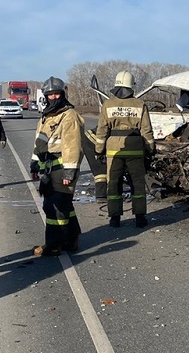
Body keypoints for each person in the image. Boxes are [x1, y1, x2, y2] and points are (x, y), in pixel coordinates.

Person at [29, 76, 84, 256]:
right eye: (50, 94)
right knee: (63, 205)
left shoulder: (69, 116)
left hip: (62, 169)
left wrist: (69, 173)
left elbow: (72, 145)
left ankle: (53, 245)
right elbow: (40, 143)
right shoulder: (46, 117)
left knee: (55, 207)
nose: (53, 97)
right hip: (48, 169)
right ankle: (71, 238)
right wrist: (35, 164)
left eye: (56, 94)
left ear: (62, 94)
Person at [95, 71, 155, 228]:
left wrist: (99, 150)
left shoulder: (108, 105)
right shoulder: (139, 104)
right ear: (131, 86)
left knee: (113, 183)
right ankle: (140, 217)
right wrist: (150, 149)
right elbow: (146, 130)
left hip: (114, 150)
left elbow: (102, 130)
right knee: (138, 183)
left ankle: (115, 218)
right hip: (135, 148)